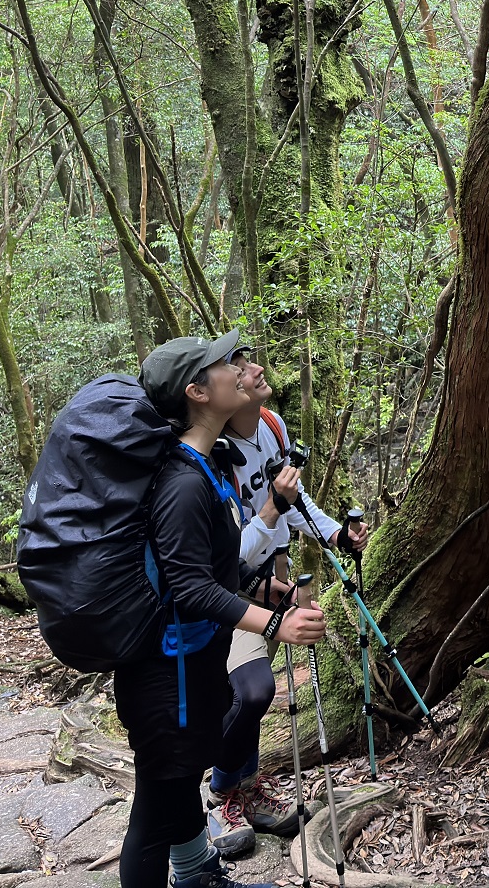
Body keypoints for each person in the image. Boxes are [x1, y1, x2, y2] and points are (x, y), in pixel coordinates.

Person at [122, 331, 326, 888]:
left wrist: (267, 591)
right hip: (164, 674)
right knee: (153, 813)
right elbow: (190, 588)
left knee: (178, 785)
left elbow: (214, 570)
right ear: (197, 392)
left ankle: (198, 878)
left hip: (188, 663)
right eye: (223, 364)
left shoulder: (205, 467)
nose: (239, 369)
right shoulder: (183, 482)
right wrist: (276, 624)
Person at [203, 350, 369, 855]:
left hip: (271, 576)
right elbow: (226, 554)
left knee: (251, 693)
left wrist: (335, 535)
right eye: (241, 368)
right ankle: (218, 795)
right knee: (251, 691)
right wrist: (274, 506)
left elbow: (293, 499)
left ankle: (247, 790)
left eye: (249, 363)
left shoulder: (271, 426)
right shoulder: (214, 451)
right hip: (228, 589)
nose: (255, 370)